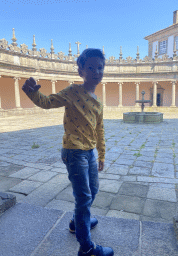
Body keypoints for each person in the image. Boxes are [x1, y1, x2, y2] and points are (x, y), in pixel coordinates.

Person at [22, 48, 114, 256]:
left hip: (90, 152)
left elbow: (99, 129)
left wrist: (101, 154)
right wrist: (32, 92)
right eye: (90, 67)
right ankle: (87, 248)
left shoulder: (98, 101)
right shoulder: (73, 92)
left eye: (100, 67)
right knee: (83, 198)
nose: (96, 72)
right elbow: (48, 102)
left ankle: (76, 221)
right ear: (80, 70)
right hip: (74, 152)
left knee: (94, 190)